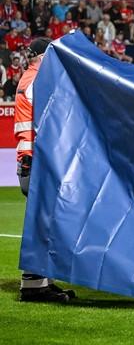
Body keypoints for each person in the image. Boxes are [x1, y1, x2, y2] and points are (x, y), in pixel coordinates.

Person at [14, 37, 75, 303]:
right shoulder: (38, 80)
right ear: (43, 55)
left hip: (29, 160)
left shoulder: (28, 79)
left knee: (45, 222)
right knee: (42, 223)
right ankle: (34, 285)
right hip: (36, 162)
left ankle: (41, 282)